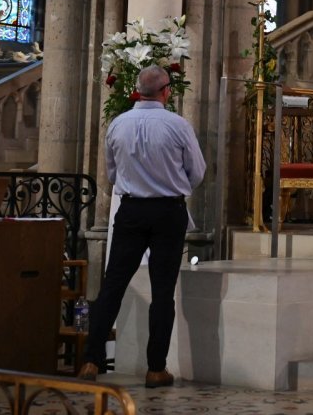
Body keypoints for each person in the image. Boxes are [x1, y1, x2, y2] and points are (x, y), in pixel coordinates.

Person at [78, 65, 206, 387]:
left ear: (138, 90)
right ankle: (155, 368)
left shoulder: (118, 124)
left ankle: (91, 362)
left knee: (113, 286)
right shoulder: (177, 125)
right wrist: (173, 187)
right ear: (166, 91)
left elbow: (111, 173)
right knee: (163, 292)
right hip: (167, 211)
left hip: (131, 211)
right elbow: (198, 171)